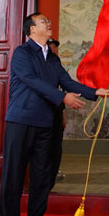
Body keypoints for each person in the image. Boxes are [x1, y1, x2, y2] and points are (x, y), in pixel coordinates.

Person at [0, 13, 109, 216]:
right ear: (31, 29)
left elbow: (67, 81)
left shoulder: (53, 58)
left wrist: (94, 92)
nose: (49, 24)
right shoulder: (22, 53)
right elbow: (31, 80)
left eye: (49, 21)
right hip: (21, 121)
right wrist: (62, 98)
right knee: (14, 174)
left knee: (43, 174)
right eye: (43, 21)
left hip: (45, 123)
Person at [46, 38, 67, 185]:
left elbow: (65, 84)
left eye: (55, 48)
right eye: (51, 47)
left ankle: (53, 174)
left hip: (57, 109)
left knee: (56, 147)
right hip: (43, 110)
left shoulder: (55, 61)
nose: (54, 50)